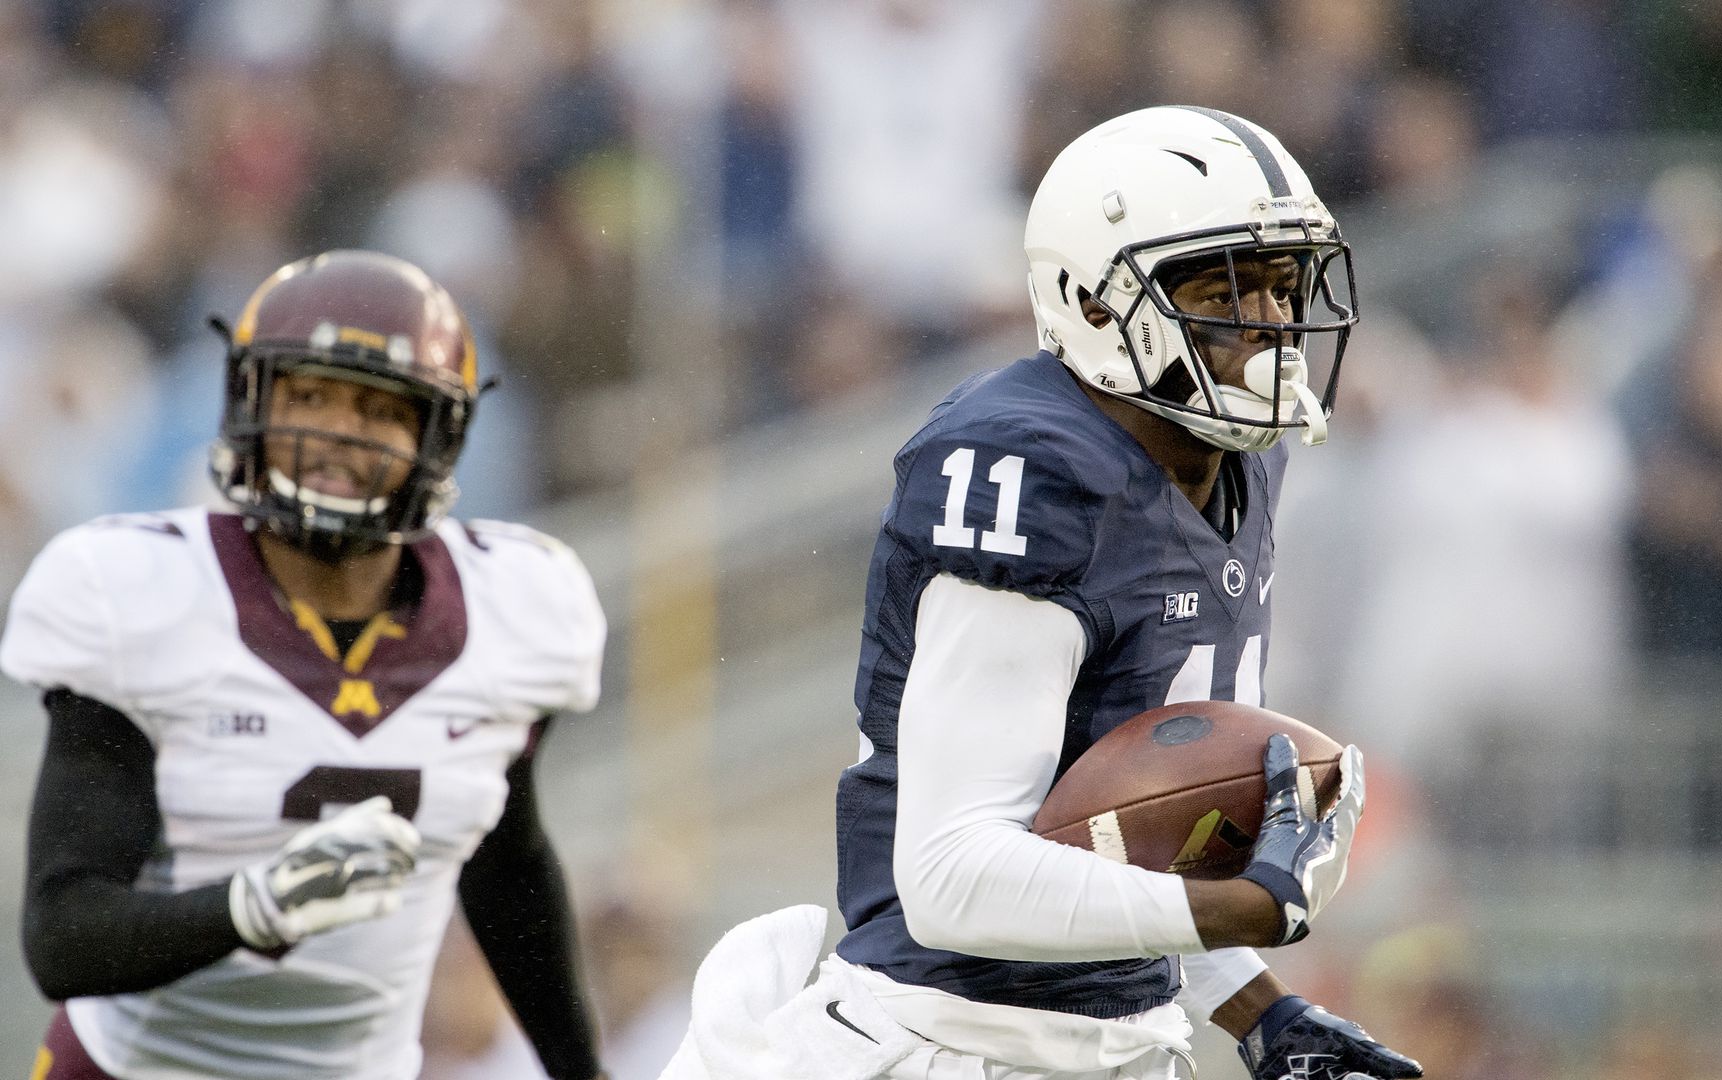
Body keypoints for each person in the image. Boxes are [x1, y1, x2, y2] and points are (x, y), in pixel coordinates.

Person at [664, 107, 1420, 1080]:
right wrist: (1233, 906)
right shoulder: (1031, 467)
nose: (1270, 326)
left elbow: (1125, 826)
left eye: (1281, 287)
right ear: (1097, 304)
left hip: (1119, 1042)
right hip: (942, 1042)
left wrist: (1259, 1008)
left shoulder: (1240, 457)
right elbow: (951, 876)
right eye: (1225, 289)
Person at [2, 250, 610, 1080]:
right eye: (309, 396)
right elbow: (64, 938)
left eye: (376, 411)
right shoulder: (136, 595)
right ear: (251, 400)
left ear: (439, 436)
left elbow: (508, 866)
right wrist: (251, 908)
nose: (334, 436)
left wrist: (582, 1072)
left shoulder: (518, 607)